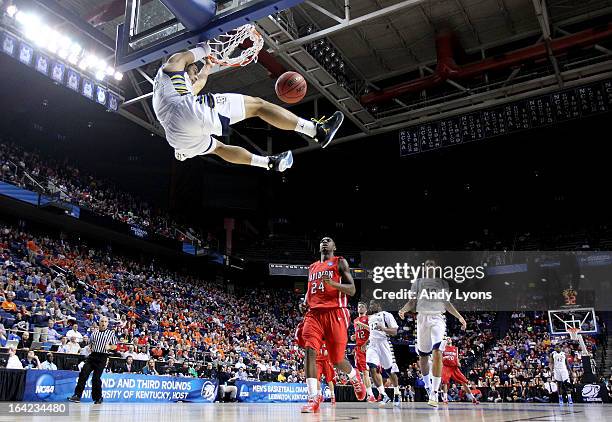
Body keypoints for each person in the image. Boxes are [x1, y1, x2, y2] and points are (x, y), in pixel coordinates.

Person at [151, 43, 344, 171]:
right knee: (258, 106)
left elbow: (198, 85)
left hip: (176, 136)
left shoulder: (166, 88)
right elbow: (199, 49)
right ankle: (317, 130)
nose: (194, 76)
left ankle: (270, 163)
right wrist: (211, 43)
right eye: (193, 71)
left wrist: (207, 68)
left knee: (218, 148)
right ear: (186, 67)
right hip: (187, 113)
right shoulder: (174, 62)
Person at [299, 237, 365, 413]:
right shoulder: (312, 267)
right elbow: (310, 289)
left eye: (329, 240)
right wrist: (304, 302)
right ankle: (313, 397)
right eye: (322, 240)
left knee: (336, 360)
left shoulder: (339, 262)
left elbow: (352, 289)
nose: (324, 241)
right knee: (309, 350)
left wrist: (333, 284)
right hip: (314, 313)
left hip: (336, 311)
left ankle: (354, 376)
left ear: (334, 246)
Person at [398, 258, 467, 408]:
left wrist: (460, 317)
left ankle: (435, 392)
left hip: (438, 318)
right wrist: (403, 309)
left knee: (437, 351)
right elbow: (412, 302)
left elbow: (447, 304)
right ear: (424, 268)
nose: (429, 266)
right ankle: (428, 386)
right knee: (423, 356)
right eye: (427, 264)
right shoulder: (418, 282)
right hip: (422, 318)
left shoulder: (443, 283)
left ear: (436, 268)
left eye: (432, 264)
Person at [68, 316, 118, 405]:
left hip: (102, 357)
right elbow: (90, 344)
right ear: (99, 322)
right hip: (93, 355)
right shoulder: (94, 333)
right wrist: (90, 348)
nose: (103, 323)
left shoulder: (111, 334)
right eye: (102, 321)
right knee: (83, 374)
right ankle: (77, 395)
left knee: (96, 378)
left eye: (105, 321)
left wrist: (110, 347)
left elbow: (115, 346)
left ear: (107, 323)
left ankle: (98, 398)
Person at [366, 299, 401, 406]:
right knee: (371, 367)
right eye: (370, 304)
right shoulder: (371, 318)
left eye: (372, 304)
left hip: (384, 344)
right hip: (372, 345)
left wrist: (384, 328)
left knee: (390, 371)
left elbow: (394, 332)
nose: (371, 306)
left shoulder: (387, 315)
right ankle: (383, 394)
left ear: (378, 304)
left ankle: (396, 393)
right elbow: (372, 333)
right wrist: (365, 344)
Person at [440, 337, 479, 404]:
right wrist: (445, 357)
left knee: (464, 382)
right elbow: (440, 359)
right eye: (447, 339)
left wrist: (459, 364)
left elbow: (457, 359)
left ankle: (473, 398)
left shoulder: (455, 349)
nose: (448, 339)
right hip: (446, 367)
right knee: (445, 382)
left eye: (449, 338)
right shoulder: (443, 348)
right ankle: (445, 399)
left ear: (451, 340)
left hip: (454, 368)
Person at [352, 301, 376, 402]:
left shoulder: (368, 318)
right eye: (359, 307)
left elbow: (373, 330)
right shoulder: (355, 320)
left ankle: (377, 393)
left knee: (374, 371)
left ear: (366, 309)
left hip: (368, 346)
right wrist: (354, 336)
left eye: (362, 306)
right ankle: (370, 395)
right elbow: (359, 332)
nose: (360, 308)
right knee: (365, 372)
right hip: (359, 348)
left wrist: (365, 343)